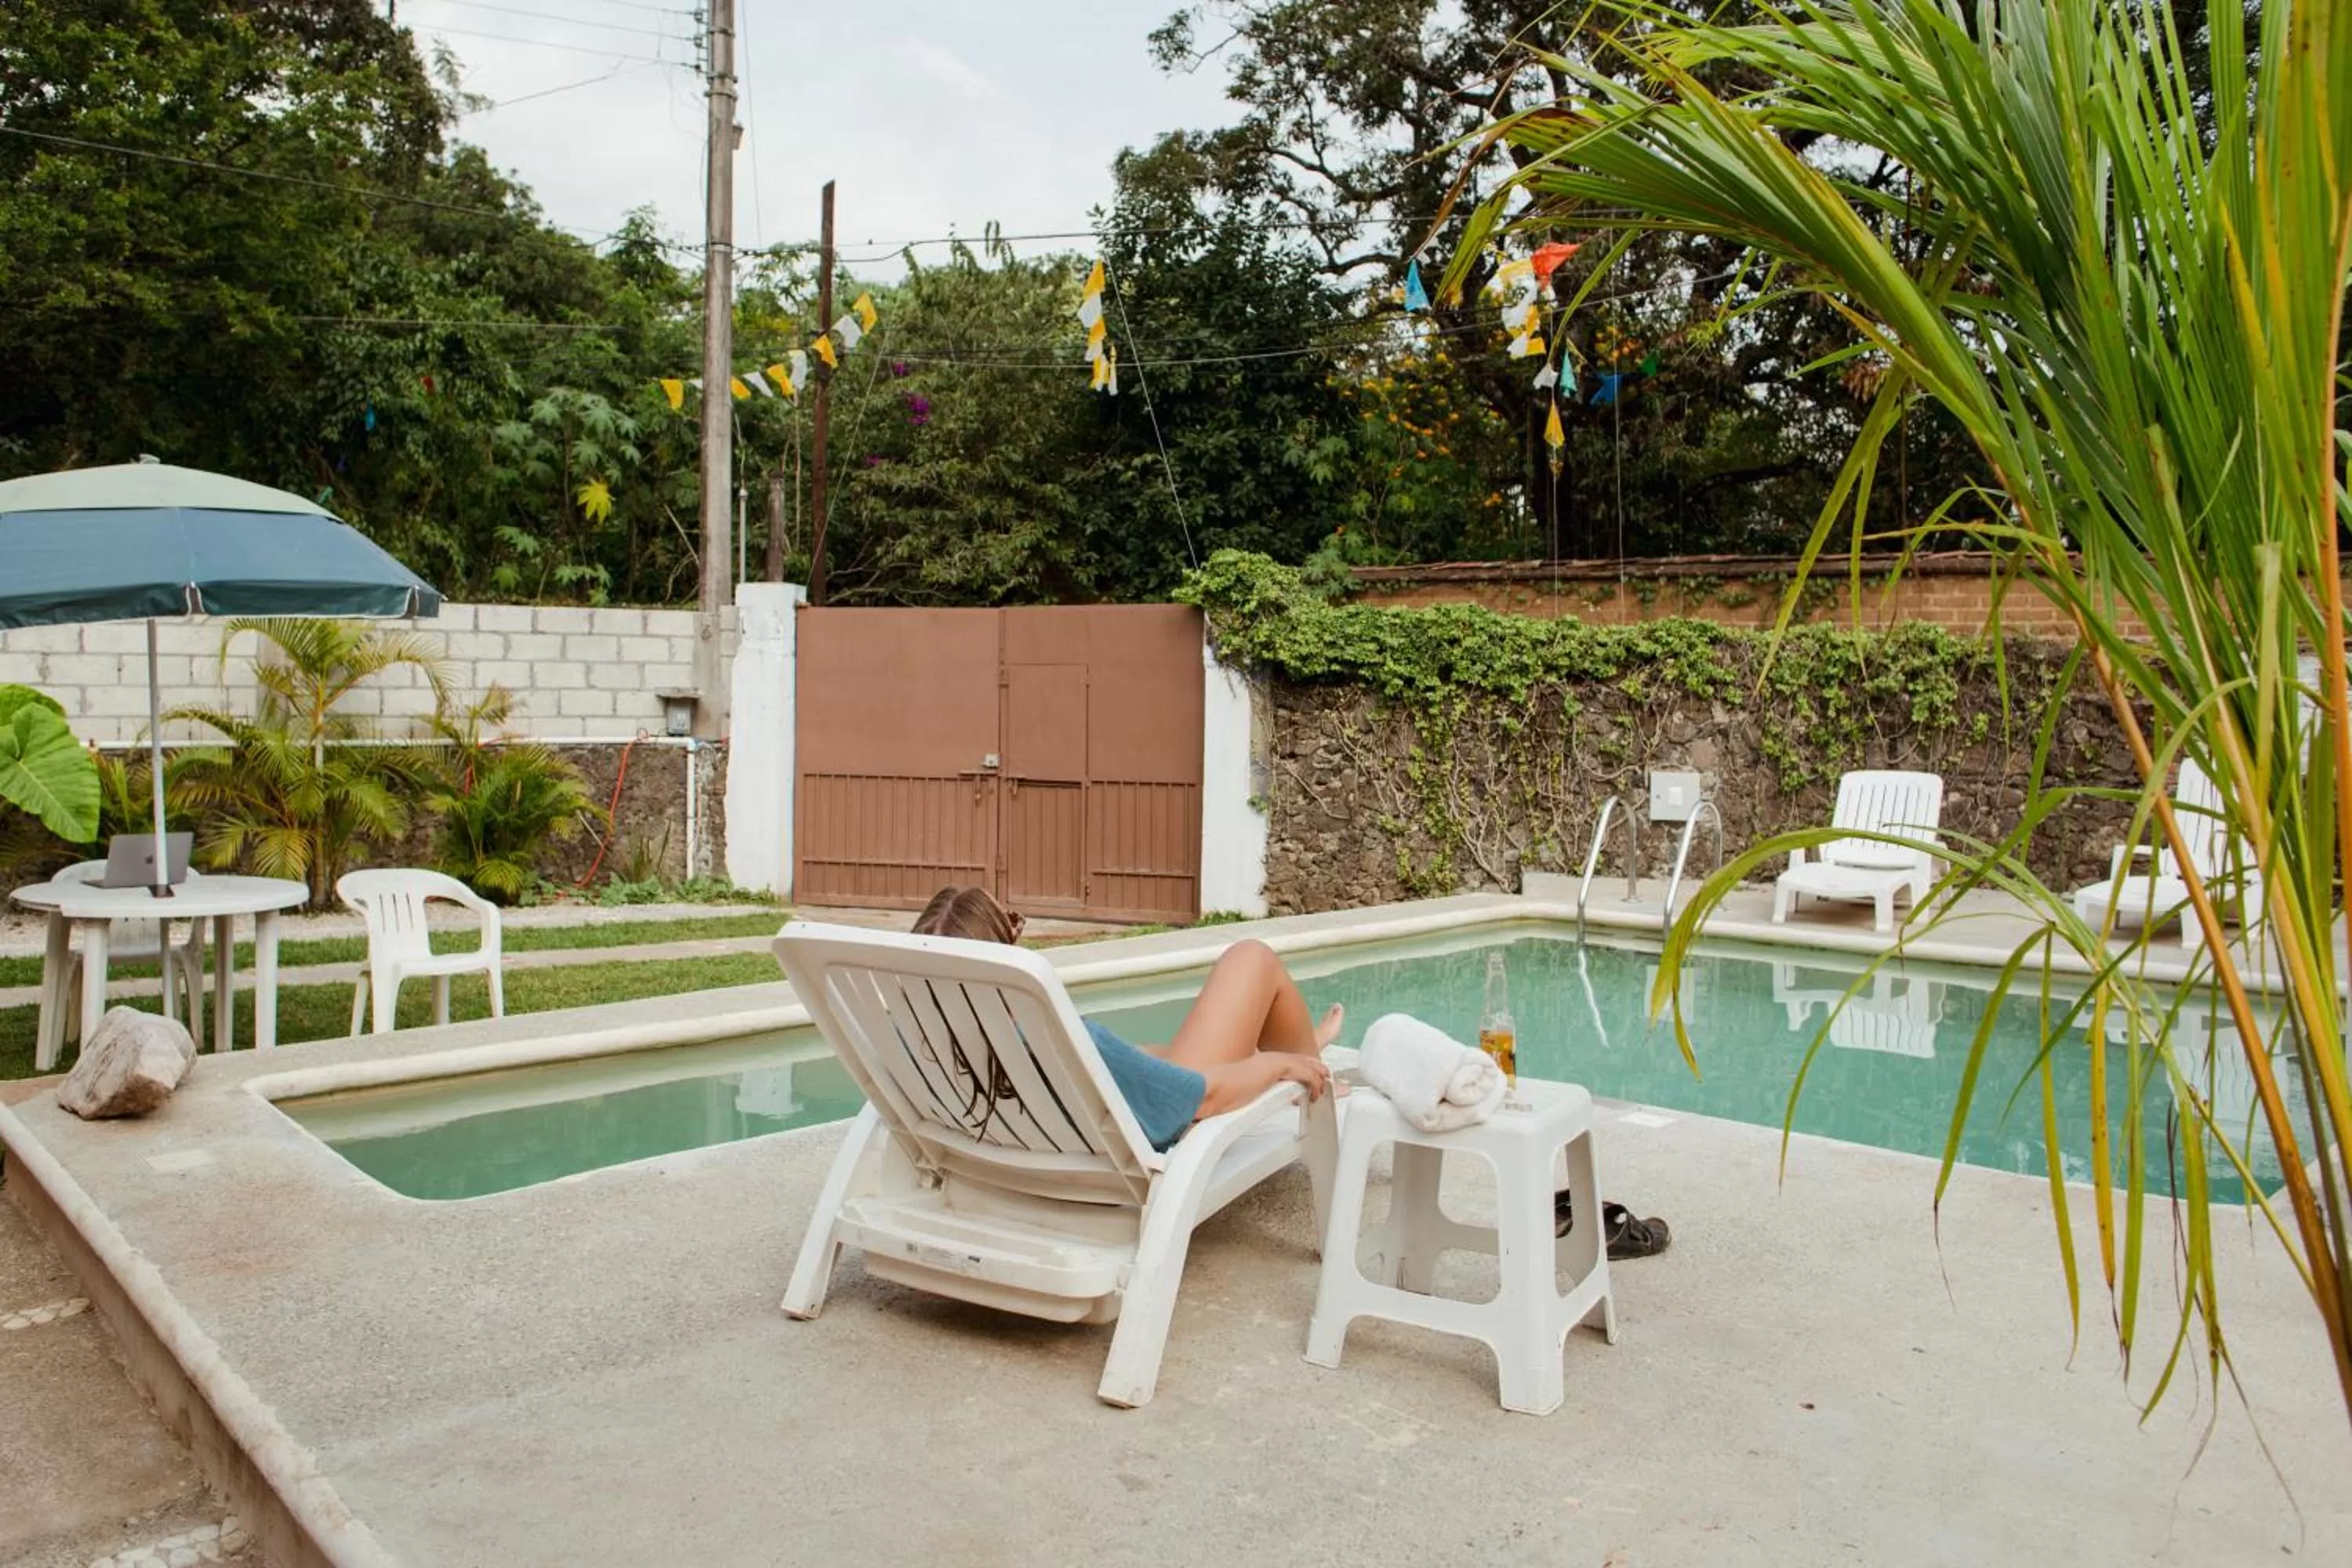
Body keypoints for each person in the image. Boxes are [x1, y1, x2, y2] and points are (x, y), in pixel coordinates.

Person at [910, 886, 1338, 1151]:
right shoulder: (1064, 1043)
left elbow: (1131, 1067)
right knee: (1252, 959)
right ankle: (1303, 1056)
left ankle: (1295, 1045)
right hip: (1155, 1136)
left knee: (1147, 1053)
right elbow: (1204, 1099)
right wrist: (1273, 1065)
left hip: (1057, 1142)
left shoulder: (920, 1045)